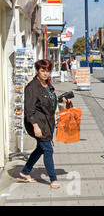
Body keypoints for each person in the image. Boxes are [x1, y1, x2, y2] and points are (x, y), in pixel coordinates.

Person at [20, 59, 70, 189]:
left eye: (48, 71)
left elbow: (48, 102)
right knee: (48, 149)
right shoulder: (31, 88)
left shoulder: (47, 84)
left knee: (41, 148)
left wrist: (59, 101)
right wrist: (35, 126)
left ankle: (25, 171)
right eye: (43, 71)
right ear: (37, 71)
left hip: (48, 122)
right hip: (38, 123)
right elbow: (29, 110)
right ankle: (53, 180)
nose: (45, 74)